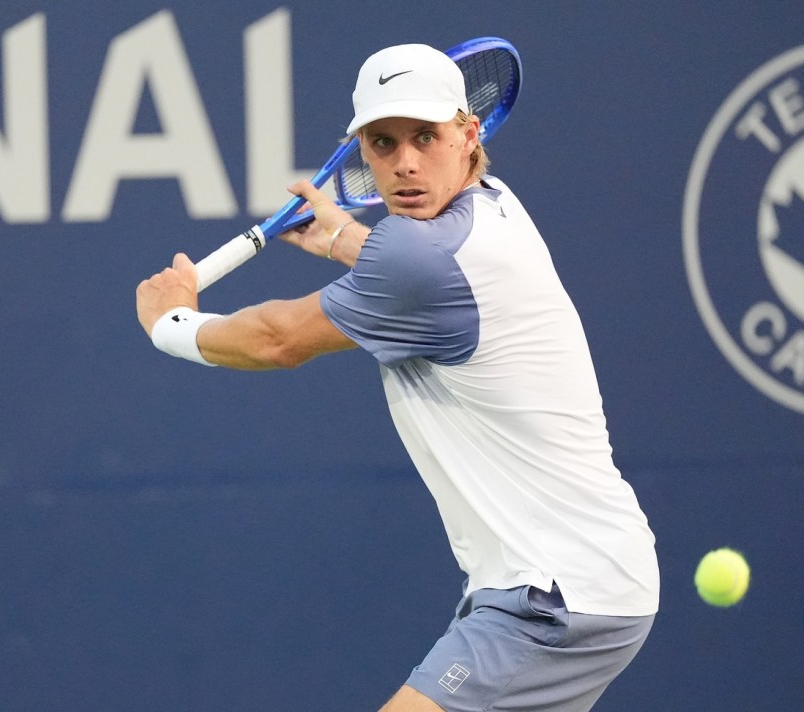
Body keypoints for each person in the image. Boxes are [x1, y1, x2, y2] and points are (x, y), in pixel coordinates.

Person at [136, 43, 659, 712]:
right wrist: (339, 238)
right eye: (383, 143)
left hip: (557, 596)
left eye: (426, 137)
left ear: (468, 134)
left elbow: (276, 341)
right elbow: (419, 274)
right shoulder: (492, 205)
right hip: (584, 579)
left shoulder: (419, 257)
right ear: (361, 149)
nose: (406, 161)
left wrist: (169, 321)